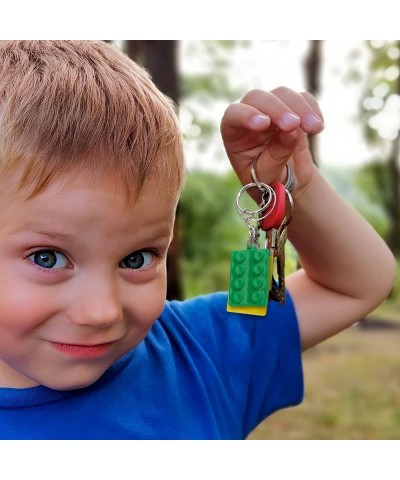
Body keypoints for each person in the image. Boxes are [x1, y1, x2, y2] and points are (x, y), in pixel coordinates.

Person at [0, 40, 395, 440]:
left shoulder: (198, 351)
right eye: (47, 258)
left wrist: (293, 185)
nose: (102, 312)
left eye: (137, 258)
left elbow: (353, 286)